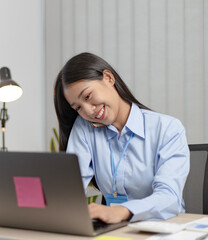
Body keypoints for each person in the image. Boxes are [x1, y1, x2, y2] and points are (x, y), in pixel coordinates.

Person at [54, 52, 190, 223]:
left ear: (108, 78)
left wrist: (122, 211)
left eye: (88, 96)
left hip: (164, 227)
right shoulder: (84, 128)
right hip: (118, 229)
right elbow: (71, 188)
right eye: (78, 108)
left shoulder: (168, 129)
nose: (88, 111)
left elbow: (169, 198)